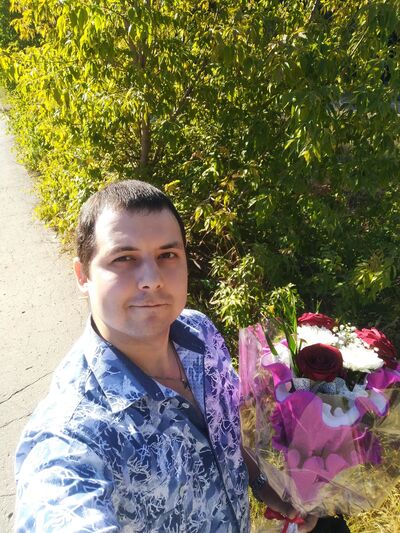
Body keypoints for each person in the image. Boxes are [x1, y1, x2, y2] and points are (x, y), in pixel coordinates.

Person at [15, 179, 317, 532]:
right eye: (124, 258)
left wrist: (263, 483)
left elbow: (224, 431)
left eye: (167, 255)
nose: (152, 279)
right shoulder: (72, 434)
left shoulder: (200, 333)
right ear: (83, 276)